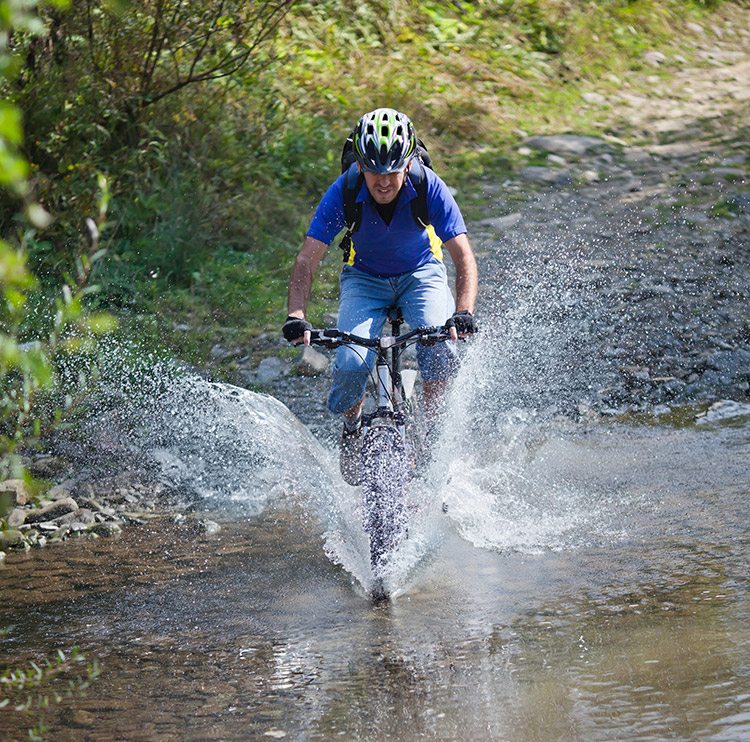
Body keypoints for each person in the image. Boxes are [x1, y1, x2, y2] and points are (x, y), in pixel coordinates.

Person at [282, 108, 478, 484]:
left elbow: (462, 254)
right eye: (374, 171)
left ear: (407, 164)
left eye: (392, 171)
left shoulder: (428, 186)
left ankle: (432, 429)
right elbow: (308, 257)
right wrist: (296, 314)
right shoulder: (346, 189)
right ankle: (353, 426)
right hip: (364, 278)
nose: (383, 182)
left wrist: (464, 311)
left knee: (439, 347)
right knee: (352, 364)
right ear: (361, 165)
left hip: (421, 273)